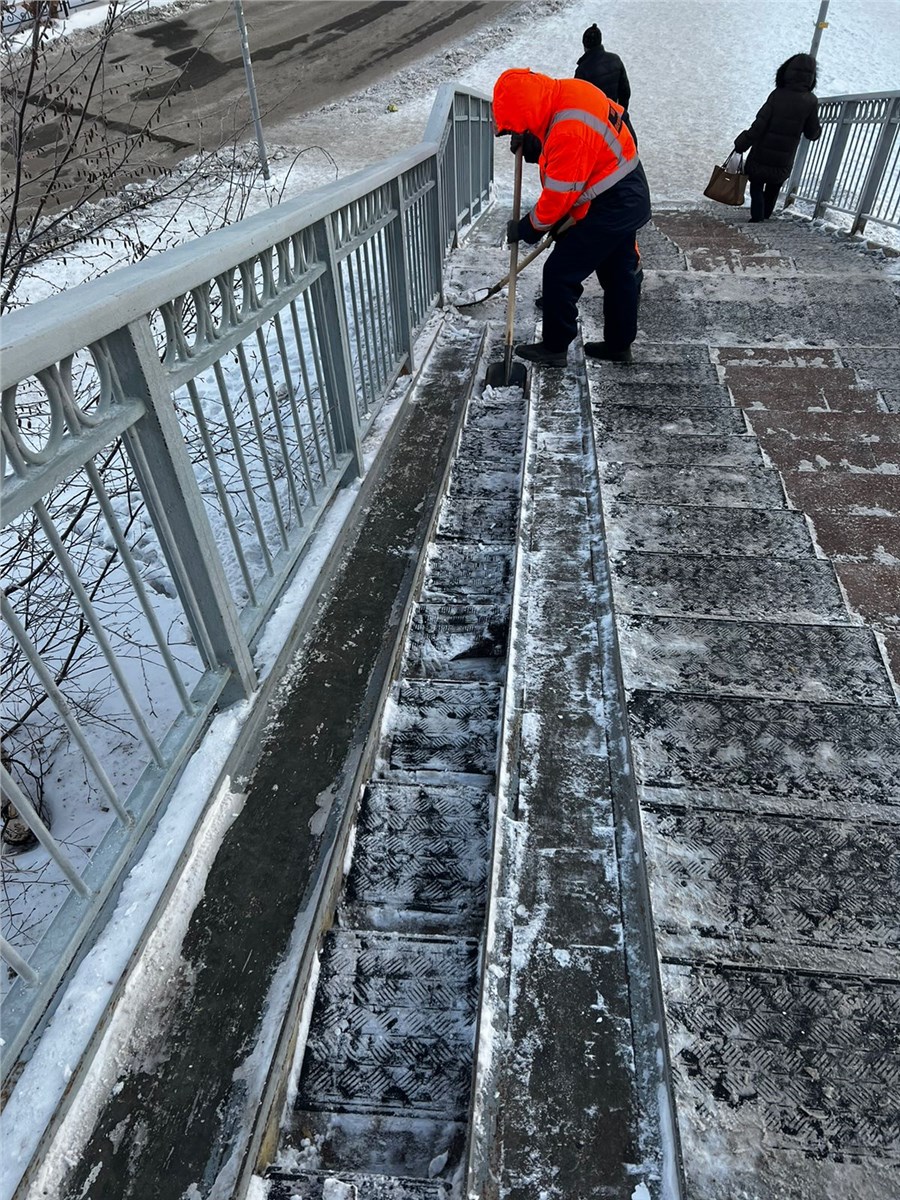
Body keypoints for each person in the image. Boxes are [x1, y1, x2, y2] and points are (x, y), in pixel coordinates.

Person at [493, 67, 651, 367]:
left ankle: (554, 347)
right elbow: (584, 137)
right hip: (624, 188)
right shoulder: (566, 91)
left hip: (610, 202)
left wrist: (527, 228)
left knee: (559, 273)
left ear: (527, 112)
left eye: (519, 126)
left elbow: (557, 198)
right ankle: (619, 345)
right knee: (618, 273)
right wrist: (533, 143)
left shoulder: (569, 131)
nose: (519, 131)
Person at [734, 53, 822, 223]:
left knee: (757, 183)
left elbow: (759, 124)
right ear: (812, 78)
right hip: (785, 154)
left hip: (762, 151)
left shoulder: (777, 95)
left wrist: (743, 142)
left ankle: (757, 216)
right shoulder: (810, 101)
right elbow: (812, 133)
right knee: (774, 184)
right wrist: (818, 130)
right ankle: (767, 212)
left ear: (786, 72)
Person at [574, 23, 631, 110]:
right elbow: (625, 92)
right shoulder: (615, 59)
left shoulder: (583, 69)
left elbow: (578, 100)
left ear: (585, 44)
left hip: (594, 117)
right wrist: (620, 114)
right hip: (612, 114)